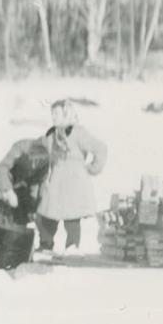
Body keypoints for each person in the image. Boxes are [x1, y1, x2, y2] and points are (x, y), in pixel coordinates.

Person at [34, 99, 108, 261]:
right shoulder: (51, 135)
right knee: (46, 213)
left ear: (67, 113)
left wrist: (93, 168)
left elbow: (101, 148)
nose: (53, 116)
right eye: (52, 113)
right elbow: (38, 148)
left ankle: (72, 247)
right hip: (56, 180)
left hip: (75, 181)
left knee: (71, 216)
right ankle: (46, 244)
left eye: (57, 113)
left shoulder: (79, 133)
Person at [0, 135, 51, 231]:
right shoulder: (21, 147)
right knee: (4, 231)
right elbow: (2, 168)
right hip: (9, 192)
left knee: (19, 233)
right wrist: (8, 190)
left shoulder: (50, 156)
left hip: (25, 198)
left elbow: (40, 183)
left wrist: (36, 206)